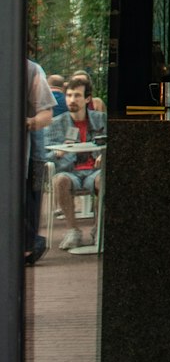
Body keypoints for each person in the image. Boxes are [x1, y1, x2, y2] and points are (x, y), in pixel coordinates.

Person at [48, 71, 107, 251]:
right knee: (60, 180)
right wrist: (56, 153)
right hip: (70, 170)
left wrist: (103, 156)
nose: (71, 100)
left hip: (94, 171)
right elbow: (45, 153)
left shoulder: (101, 119)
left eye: (77, 96)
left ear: (87, 99)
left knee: (103, 179)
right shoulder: (57, 123)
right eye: (69, 95)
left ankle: (99, 229)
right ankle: (73, 230)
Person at [25, 58, 55, 265]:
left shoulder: (31, 70)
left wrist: (29, 122)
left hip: (31, 156)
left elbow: (46, 114)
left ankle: (30, 246)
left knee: (29, 205)